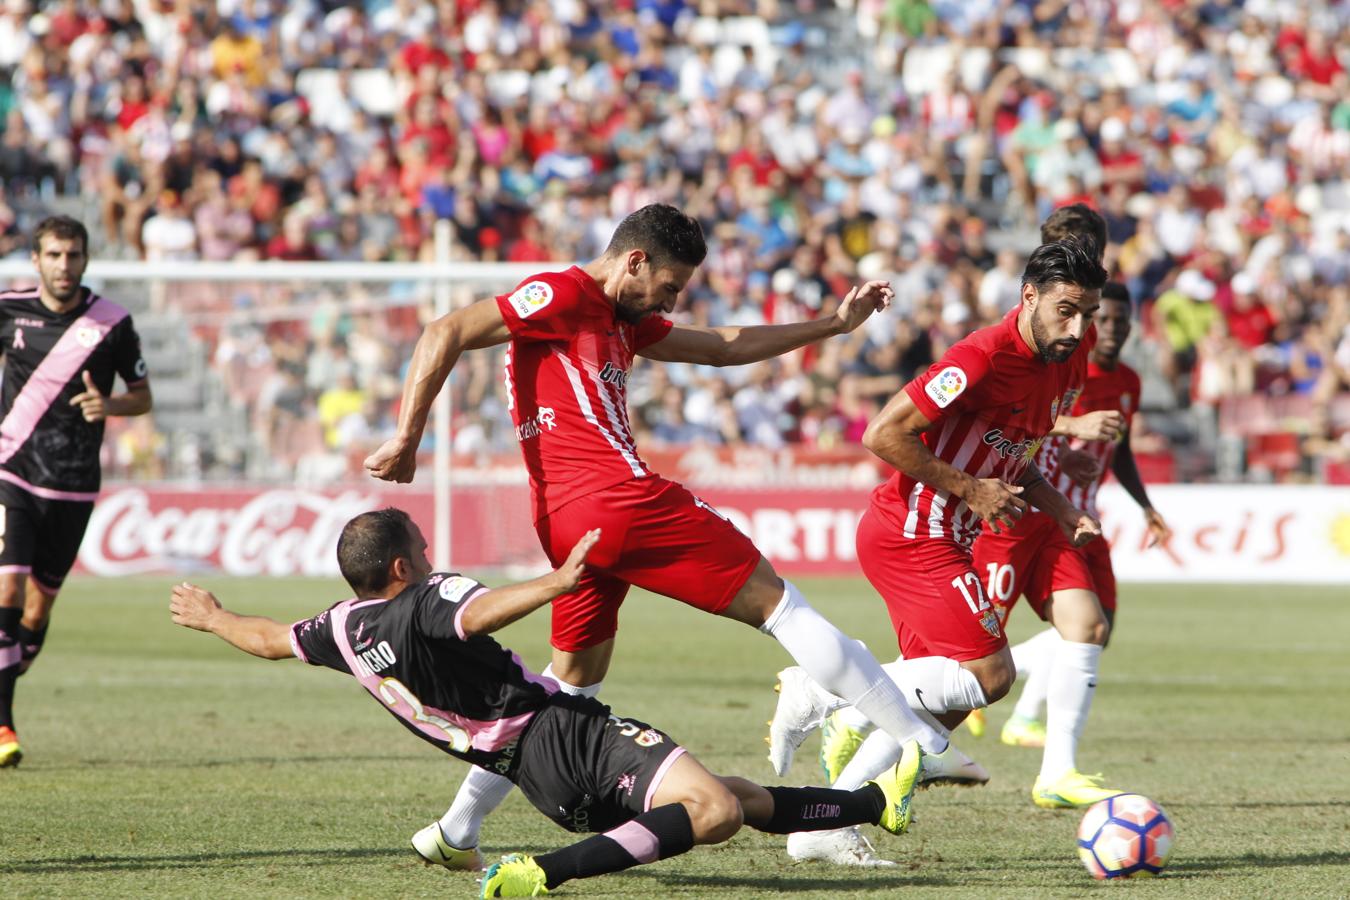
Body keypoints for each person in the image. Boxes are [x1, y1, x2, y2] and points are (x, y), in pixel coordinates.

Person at [363, 203, 952, 869]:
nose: (671, 301)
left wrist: (834, 325)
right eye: (669, 286)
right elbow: (447, 329)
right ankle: (921, 744)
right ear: (633, 260)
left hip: (571, 523)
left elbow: (720, 347)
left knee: (570, 684)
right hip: (615, 499)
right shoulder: (565, 293)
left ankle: (456, 830)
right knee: (779, 603)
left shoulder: (622, 321)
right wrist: (408, 436)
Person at [169, 508, 923, 898]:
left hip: (537, 778)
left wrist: (211, 617)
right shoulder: (429, 598)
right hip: (565, 734)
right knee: (716, 812)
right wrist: (557, 584)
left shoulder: (341, 626)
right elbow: (478, 611)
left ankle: (869, 804)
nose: (433, 554)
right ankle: (543, 875)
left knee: (733, 796)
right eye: (423, 548)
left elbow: (269, 637)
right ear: (403, 565)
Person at [769, 237, 1110, 861]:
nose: (1078, 326)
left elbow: (1019, 454)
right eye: (1066, 310)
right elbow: (883, 433)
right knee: (990, 674)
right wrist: (970, 488)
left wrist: (1062, 511)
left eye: (1088, 312)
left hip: (952, 537)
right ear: (1028, 295)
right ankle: (824, 691)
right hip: (910, 534)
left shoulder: (1070, 360)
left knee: (944, 707)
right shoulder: (980, 356)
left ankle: (823, 822)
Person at [980, 282, 1172, 760]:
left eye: (1118, 320)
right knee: (977, 644)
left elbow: (1120, 449)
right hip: (1032, 511)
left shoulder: (1128, 381)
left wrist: (1145, 506)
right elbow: (1024, 424)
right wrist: (1069, 438)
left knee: (1093, 631)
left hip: (1082, 521)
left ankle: (1030, 725)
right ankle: (869, 702)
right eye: (1102, 318)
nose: (1109, 328)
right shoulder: (1067, 368)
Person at [0, 216, 152, 768]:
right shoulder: (9, 308)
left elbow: (142, 396)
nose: (64, 265)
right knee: (7, 591)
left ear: (85, 260)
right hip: (11, 469)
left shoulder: (112, 322)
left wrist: (107, 405)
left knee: (36, 613)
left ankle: (7, 679)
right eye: (54, 255)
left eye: (73, 255)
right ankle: (4, 726)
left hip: (73, 483)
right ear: (36, 260)